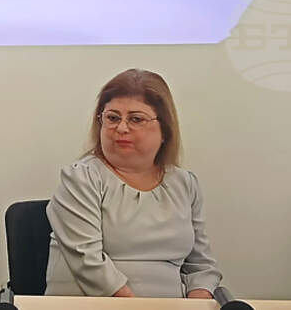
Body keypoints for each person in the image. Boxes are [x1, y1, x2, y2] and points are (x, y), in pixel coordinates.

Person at [45, 69, 222, 298]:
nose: (121, 128)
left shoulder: (184, 183)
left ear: (164, 129)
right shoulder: (81, 178)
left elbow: (201, 267)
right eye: (112, 118)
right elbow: (88, 262)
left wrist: (198, 301)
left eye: (136, 119)